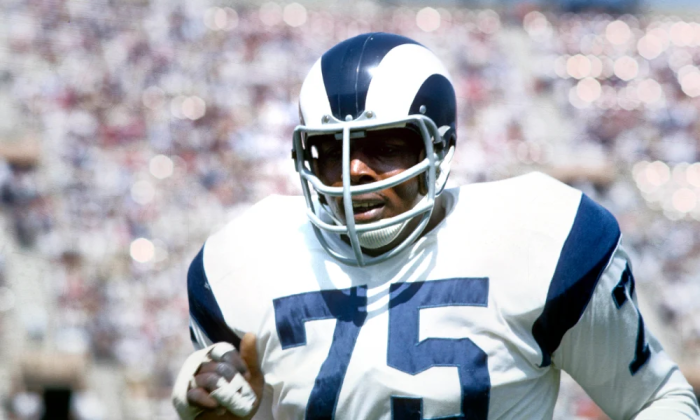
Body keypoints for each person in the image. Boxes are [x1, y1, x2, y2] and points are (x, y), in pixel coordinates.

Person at [171, 32, 700, 420]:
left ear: (439, 150)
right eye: (331, 150)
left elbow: (657, 401)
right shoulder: (241, 264)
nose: (355, 170)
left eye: (386, 145)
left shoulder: (541, 240)